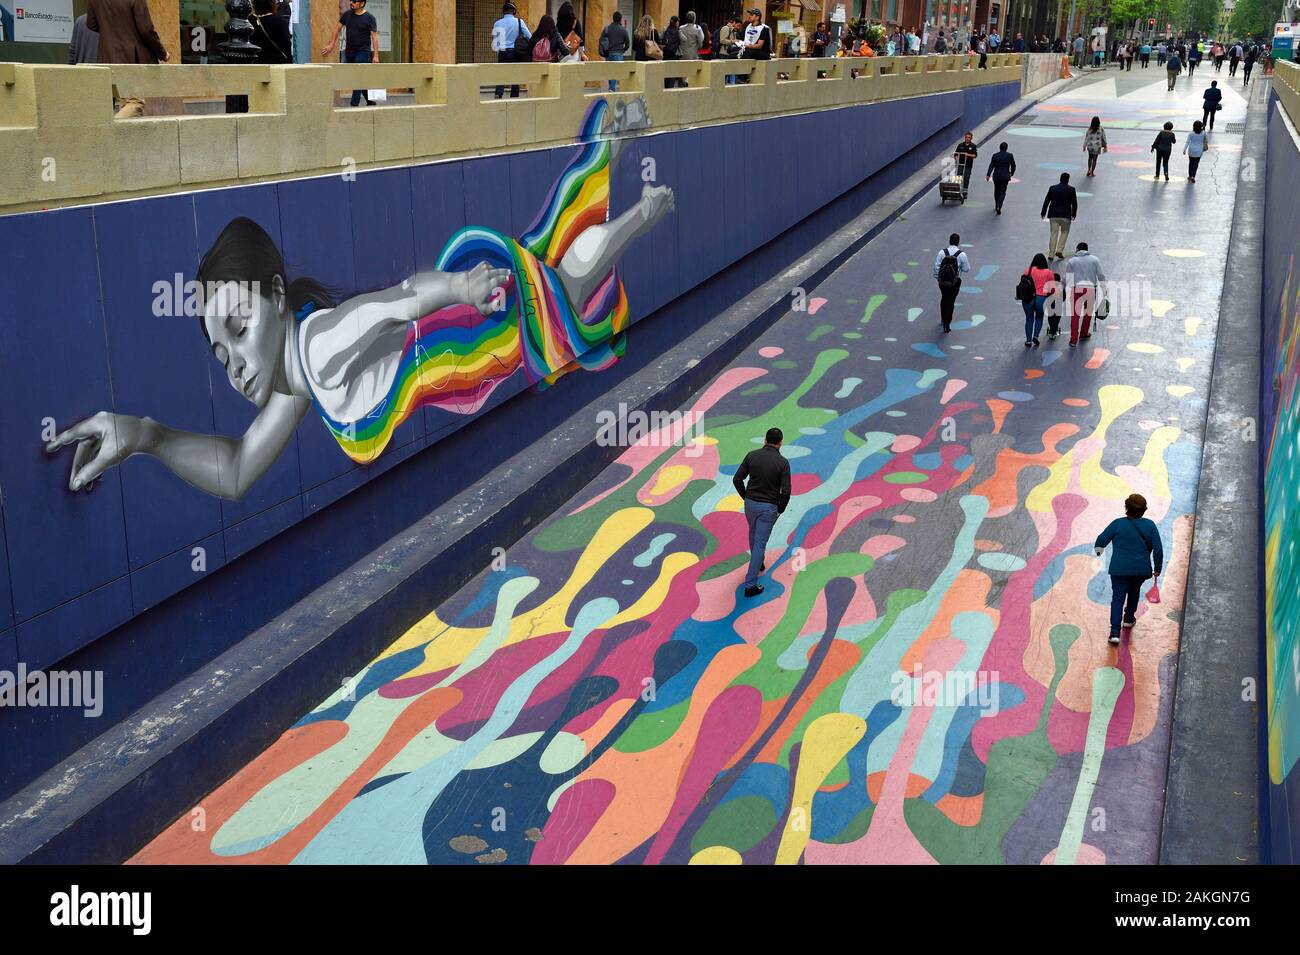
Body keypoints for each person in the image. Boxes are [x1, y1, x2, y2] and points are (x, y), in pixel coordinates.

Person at [47, 98, 677, 500]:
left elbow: (395, 303)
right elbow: (235, 470)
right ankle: (614, 148)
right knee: (549, 257)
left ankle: (641, 216)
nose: (233, 362)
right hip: (463, 339)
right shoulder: (298, 380)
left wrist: (458, 287)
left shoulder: (318, 350)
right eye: (219, 351)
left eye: (237, 328)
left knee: (563, 291)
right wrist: (146, 436)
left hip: (472, 334)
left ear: (274, 297)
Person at [1095, 493, 1164, 645]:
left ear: (1126, 507)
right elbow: (1158, 549)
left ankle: (1114, 632)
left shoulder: (1118, 524)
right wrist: (1157, 567)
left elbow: (1101, 540)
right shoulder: (1150, 525)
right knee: (1134, 591)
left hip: (1119, 569)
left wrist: (1099, 551)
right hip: (1140, 570)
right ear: (1144, 510)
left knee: (1118, 597)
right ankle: (1128, 619)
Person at [733, 427, 792, 598]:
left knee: (753, 534)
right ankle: (750, 585)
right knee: (760, 543)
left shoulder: (751, 455)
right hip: (768, 507)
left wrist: (746, 496)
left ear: (765, 440)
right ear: (780, 443)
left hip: (750, 504)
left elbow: (737, 479)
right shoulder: (783, 463)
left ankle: (758, 564)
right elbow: (786, 492)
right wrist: (780, 508)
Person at [86, 0, 170, 119]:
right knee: (135, 102)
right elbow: (146, 30)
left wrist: (111, 30)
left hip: (108, 56)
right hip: (130, 58)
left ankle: (123, 134)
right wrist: (162, 53)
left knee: (124, 102)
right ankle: (111, 130)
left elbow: (91, 24)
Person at [323, 0, 379, 107]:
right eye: (351, 0)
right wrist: (331, 45)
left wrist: (376, 55)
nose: (351, 2)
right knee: (357, 77)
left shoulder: (369, 18)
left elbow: (375, 37)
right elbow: (337, 28)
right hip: (349, 52)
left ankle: (354, 104)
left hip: (363, 52)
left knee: (357, 76)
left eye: (354, 1)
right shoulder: (347, 15)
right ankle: (369, 99)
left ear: (362, 3)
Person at [1064, 241, 1105, 346]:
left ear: (1077, 249)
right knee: (1088, 313)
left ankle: (1073, 339)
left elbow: (1067, 278)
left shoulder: (1072, 261)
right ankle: (1083, 333)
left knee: (1075, 315)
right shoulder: (1095, 260)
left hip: (1077, 289)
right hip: (1091, 289)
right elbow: (1100, 275)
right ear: (1087, 249)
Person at [489, 2, 530, 99]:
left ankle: (498, 93)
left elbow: (496, 40)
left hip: (502, 52)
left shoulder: (497, 23)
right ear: (514, 11)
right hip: (515, 52)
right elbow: (529, 36)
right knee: (516, 75)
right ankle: (514, 97)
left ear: (503, 12)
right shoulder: (519, 22)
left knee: (501, 73)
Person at [933, 233, 971, 334]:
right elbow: (967, 269)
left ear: (949, 241)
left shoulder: (942, 252)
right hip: (955, 282)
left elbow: (936, 267)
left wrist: (938, 278)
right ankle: (947, 323)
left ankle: (942, 318)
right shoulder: (961, 254)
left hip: (942, 282)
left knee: (944, 298)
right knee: (951, 301)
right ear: (958, 242)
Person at [1019, 252, 1055, 347]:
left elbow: (1022, 283)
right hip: (1041, 299)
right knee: (1039, 317)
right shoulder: (1049, 272)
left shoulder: (1029, 270)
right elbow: (1052, 289)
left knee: (1029, 319)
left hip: (1028, 298)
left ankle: (1028, 340)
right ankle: (1036, 336)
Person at [1040, 172, 1078, 260]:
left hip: (1053, 214)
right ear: (1068, 180)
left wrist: (1043, 212)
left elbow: (1047, 200)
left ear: (1060, 179)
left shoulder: (1052, 188)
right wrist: (1074, 214)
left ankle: (1051, 254)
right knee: (1064, 232)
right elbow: (1074, 203)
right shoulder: (1071, 189)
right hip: (1065, 215)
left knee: (1054, 234)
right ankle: (1059, 250)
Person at [598, 11, 630, 91]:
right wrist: (623, 50)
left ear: (613, 18)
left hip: (609, 54)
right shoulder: (623, 30)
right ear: (620, 19)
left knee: (610, 72)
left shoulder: (607, 29)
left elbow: (601, 40)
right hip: (619, 54)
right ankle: (612, 89)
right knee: (615, 72)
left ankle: (611, 88)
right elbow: (628, 44)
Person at [985, 140, 1016, 215]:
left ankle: (996, 205)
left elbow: (991, 165)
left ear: (999, 148)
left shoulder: (995, 155)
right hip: (1005, 176)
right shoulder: (1010, 155)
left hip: (997, 176)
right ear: (1006, 148)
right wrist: (1011, 173)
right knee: (1003, 192)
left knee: (996, 190)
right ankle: (999, 205)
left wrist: (988, 174)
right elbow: (1013, 165)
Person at [953, 131, 978, 195]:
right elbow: (956, 154)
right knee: (958, 176)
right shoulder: (960, 145)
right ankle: (957, 189)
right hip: (960, 164)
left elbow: (975, 156)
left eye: (969, 137)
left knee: (966, 177)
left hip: (968, 165)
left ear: (971, 138)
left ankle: (965, 190)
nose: (967, 138)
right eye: (966, 137)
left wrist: (968, 154)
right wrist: (956, 158)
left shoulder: (973, 146)